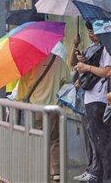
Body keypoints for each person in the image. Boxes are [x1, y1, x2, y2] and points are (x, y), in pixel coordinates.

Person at [13, 52, 70, 181]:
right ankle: (56, 171)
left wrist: (20, 101)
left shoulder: (30, 62)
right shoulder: (58, 61)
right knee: (55, 139)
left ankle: (40, 169)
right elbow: (67, 82)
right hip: (54, 108)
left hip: (36, 109)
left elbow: (22, 86)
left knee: (38, 139)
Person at [73, 22, 111, 182]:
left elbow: (107, 71)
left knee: (102, 142)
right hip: (91, 99)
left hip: (99, 100)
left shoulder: (107, 48)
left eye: (93, 31)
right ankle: (96, 173)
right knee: (95, 141)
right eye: (88, 31)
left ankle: (105, 176)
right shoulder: (95, 48)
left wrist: (86, 67)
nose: (90, 34)